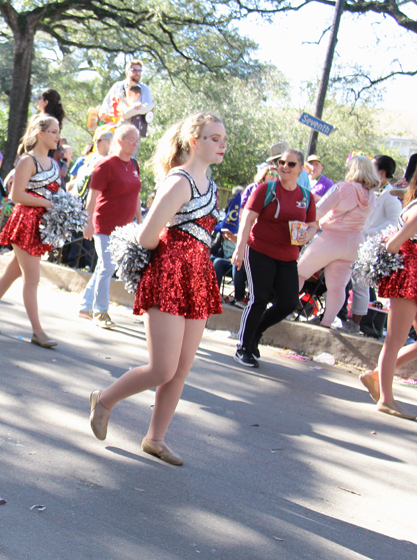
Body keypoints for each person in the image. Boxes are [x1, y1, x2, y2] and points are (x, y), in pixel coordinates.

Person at [88, 112, 226, 465]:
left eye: (223, 138)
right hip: (169, 275)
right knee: (163, 368)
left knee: (181, 369)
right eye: (214, 138)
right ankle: (104, 399)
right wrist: (176, 253)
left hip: (198, 277)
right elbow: (148, 235)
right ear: (194, 142)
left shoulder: (210, 186)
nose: (222, 144)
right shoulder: (179, 181)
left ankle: (155, 438)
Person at [0, 114, 61, 347]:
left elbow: (55, 195)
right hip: (25, 222)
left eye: (58, 131)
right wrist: (46, 203)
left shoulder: (53, 164)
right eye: (53, 132)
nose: (57, 136)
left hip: (41, 224)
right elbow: (16, 195)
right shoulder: (27, 161)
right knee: (32, 278)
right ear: (40, 134)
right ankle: (37, 331)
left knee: (13, 272)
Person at [232, 148, 316, 368]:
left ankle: (257, 331)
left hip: (288, 256)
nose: (284, 167)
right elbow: (247, 219)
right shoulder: (266, 189)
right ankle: (243, 347)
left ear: (300, 169)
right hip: (259, 250)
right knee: (259, 299)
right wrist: (240, 248)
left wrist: (306, 236)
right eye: (281, 162)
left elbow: (313, 225)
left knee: (288, 302)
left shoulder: (306, 197)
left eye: (291, 164)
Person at [358, 172, 417, 420]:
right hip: (409, 281)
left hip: (412, 280)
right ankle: (386, 399)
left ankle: (375, 376)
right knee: (395, 340)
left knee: (397, 339)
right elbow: (393, 245)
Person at [296, 155, 378, 330]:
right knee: (337, 286)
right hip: (355, 243)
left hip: (331, 238)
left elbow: (317, 211)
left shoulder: (342, 188)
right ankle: (326, 322)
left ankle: (283, 308)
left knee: (299, 272)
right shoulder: (371, 196)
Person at [78, 124, 143, 328]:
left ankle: (85, 306)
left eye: (137, 141)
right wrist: (88, 221)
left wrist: (140, 220)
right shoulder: (106, 164)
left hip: (125, 228)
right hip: (105, 224)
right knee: (108, 266)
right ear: (120, 141)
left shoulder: (134, 165)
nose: (135, 144)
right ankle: (100, 312)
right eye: (131, 140)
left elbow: (136, 194)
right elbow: (93, 195)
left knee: (103, 266)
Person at [352, 155, 403, 327]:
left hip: (371, 247)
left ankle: (356, 323)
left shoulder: (390, 195)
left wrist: (368, 233)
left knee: (360, 284)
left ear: (382, 172)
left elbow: (394, 223)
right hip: (358, 241)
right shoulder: (372, 191)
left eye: (372, 167)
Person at [98, 60, 154, 133]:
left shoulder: (144, 89)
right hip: (113, 125)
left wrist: (138, 107)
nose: (137, 73)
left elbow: (147, 106)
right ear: (127, 73)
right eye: (134, 70)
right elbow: (107, 102)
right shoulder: (117, 86)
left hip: (132, 129)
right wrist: (104, 111)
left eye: (139, 71)